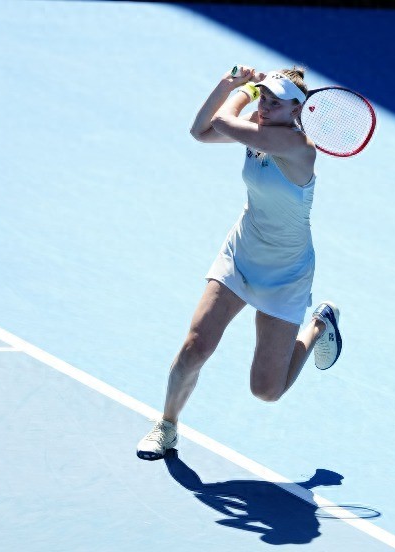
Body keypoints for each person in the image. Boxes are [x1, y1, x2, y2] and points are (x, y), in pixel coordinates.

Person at [137, 65, 343, 460]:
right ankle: (167, 425)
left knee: (266, 390)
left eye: (274, 101)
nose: (264, 105)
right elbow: (200, 132)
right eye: (263, 96)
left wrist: (243, 89)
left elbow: (219, 119)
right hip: (242, 254)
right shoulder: (252, 129)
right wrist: (228, 85)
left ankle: (318, 325)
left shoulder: (299, 148)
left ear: (296, 112)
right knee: (196, 346)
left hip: (286, 275)